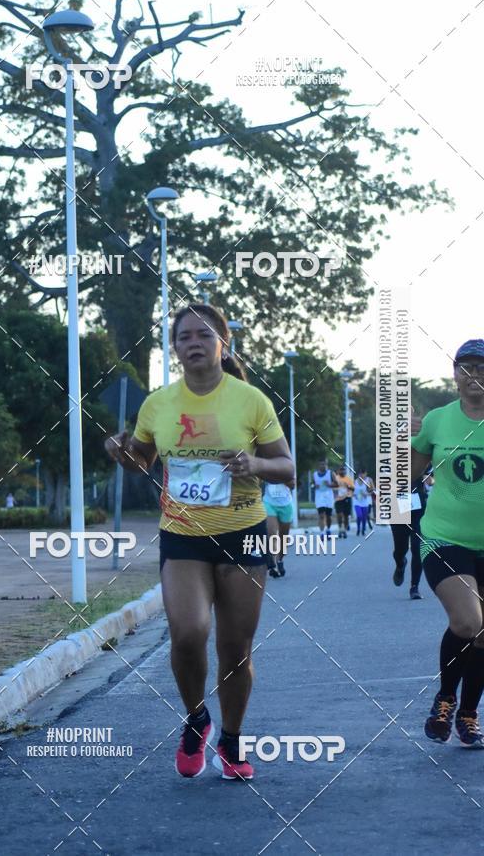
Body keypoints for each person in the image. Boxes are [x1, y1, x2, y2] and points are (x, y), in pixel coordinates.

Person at [104, 303, 294, 780]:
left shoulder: (250, 401)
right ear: (175, 347)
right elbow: (141, 461)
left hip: (243, 534)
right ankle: (197, 718)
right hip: (183, 536)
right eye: (183, 336)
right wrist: (122, 451)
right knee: (188, 635)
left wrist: (255, 466)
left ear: (221, 344)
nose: (193, 342)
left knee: (235, 650)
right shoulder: (158, 404)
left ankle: (231, 741)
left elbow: (288, 469)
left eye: (203, 335)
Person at [412, 340, 484, 747]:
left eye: (482, 366)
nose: (475, 374)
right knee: (469, 621)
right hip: (445, 537)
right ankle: (444, 698)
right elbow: (405, 475)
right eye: (466, 366)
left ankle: (469, 714)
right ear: (455, 375)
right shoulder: (438, 421)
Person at [389, 475, 426, 600]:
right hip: (398, 509)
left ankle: (414, 587)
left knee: (417, 548)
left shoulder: (423, 459)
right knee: (400, 550)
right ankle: (400, 564)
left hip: (418, 511)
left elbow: (432, 479)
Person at [263, 480, 296, 578]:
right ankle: (273, 565)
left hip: (286, 504)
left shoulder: (287, 466)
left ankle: (280, 560)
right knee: (272, 534)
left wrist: (280, 477)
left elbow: (292, 485)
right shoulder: (265, 465)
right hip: (269, 503)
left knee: (283, 538)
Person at [313, 459, 337, 539]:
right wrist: (314, 486)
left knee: (328, 516)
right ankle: (322, 533)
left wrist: (330, 485)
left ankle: (328, 529)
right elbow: (312, 484)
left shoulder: (330, 473)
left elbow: (337, 484)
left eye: (324, 464)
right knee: (321, 515)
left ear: (327, 465)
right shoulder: (315, 474)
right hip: (319, 497)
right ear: (318, 465)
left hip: (329, 497)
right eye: (321, 464)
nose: (323, 466)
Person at [334, 464, 354, 539]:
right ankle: (340, 529)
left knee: (346, 516)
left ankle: (344, 530)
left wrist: (348, 486)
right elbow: (332, 487)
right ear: (338, 471)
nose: (342, 471)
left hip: (347, 498)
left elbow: (353, 489)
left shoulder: (349, 479)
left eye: (343, 470)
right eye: (341, 469)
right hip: (338, 499)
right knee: (339, 515)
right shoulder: (336, 478)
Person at [353, 469, 372, 535]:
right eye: (360, 474)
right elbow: (351, 490)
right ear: (359, 475)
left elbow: (372, 490)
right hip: (357, 502)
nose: (362, 475)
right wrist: (353, 494)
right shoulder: (355, 482)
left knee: (364, 517)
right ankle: (358, 528)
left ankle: (363, 529)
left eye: (363, 474)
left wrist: (367, 494)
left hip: (364, 502)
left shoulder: (367, 482)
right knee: (359, 516)